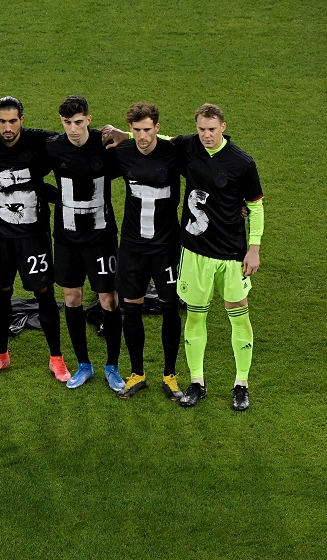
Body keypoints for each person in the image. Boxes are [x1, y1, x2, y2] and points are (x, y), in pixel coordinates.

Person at [0, 96, 71, 382]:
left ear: (22, 120)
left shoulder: (40, 141)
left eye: (13, 121)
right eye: (2, 121)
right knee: (1, 295)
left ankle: (57, 359)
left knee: (44, 294)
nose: (8, 127)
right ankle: (1, 355)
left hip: (33, 236)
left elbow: (74, 141)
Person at [174, 104, 263, 410]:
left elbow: (255, 206)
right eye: (201, 129)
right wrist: (124, 135)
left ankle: (241, 384)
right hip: (196, 252)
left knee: (238, 314)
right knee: (196, 316)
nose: (206, 135)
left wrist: (254, 247)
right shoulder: (189, 146)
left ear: (223, 126)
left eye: (212, 129)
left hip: (231, 254)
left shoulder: (242, 162)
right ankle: (197, 382)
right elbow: (155, 139)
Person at [43, 95, 124, 391]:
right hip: (66, 239)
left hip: (101, 239)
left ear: (89, 119)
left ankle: (112, 367)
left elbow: (143, 156)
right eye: (67, 123)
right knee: (72, 298)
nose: (73, 129)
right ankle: (84, 366)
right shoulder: (53, 146)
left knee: (109, 300)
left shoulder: (106, 146)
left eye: (78, 122)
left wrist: (124, 134)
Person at [108, 102, 184, 400]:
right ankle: (137, 373)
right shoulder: (122, 154)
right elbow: (91, 169)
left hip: (166, 247)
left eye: (147, 130)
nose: (142, 136)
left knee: (169, 308)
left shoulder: (174, 154)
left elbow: (205, 171)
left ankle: (170, 375)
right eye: (136, 130)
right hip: (133, 247)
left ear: (158, 128)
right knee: (132, 307)